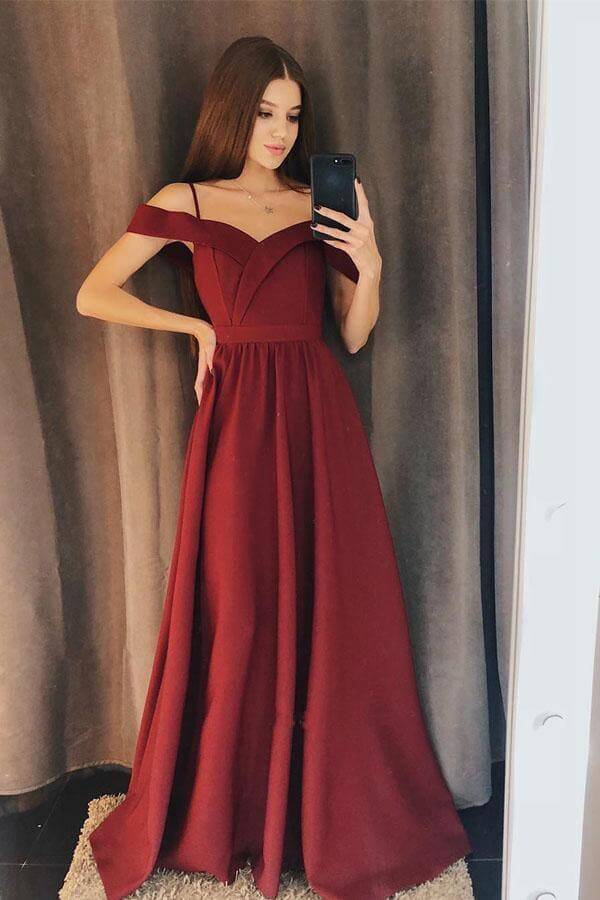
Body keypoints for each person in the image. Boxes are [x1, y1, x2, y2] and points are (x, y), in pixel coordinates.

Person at [76, 34, 472, 900]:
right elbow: (93, 293)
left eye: (292, 114)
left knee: (329, 610)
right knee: (239, 609)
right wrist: (195, 328)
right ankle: (233, 810)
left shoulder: (321, 204)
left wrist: (370, 262)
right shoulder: (185, 201)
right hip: (234, 423)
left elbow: (353, 332)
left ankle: (317, 814)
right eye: (264, 112)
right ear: (233, 109)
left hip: (317, 421)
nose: (281, 130)